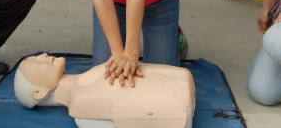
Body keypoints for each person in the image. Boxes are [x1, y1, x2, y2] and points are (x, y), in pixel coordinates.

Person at [14, 53, 195, 128]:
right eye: (34, 62)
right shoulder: (80, 106)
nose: (42, 56)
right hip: (177, 104)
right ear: (38, 92)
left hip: (177, 84)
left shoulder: (87, 79)